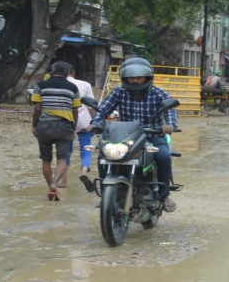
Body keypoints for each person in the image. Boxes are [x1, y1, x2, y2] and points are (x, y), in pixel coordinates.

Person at [89, 58, 178, 212]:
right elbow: (103, 109)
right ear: (125, 78)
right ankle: (106, 195)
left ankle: (164, 196)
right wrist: (95, 123)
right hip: (125, 136)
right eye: (131, 78)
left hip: (152, 135)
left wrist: (169, 125)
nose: (135, 81)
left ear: (147, 77)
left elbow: (170, 110)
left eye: (139, 78)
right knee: (104, 156)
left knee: (163, 156)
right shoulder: (118, 92)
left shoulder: (159, 93)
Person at [31, 61, 81, 201]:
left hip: (44, 126)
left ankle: (50, 187)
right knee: (62, 159)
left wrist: (34, 126)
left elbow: (37, 108)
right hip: (64, 126)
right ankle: (55, 182)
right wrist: (73, 128)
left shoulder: (40, 86)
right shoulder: (73, 88)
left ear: (51, 72)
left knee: (46, 160)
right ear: (67, 73)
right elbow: (75, 110)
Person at [65, 63, 98, 192]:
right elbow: (91, 106)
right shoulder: (85, 85)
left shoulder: (59, 85)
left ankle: (63, 179)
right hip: (84, 122)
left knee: (66, 150)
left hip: (66, 122)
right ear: (73, 72)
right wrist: (95, 122)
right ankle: (84, 171)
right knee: (86, 149)